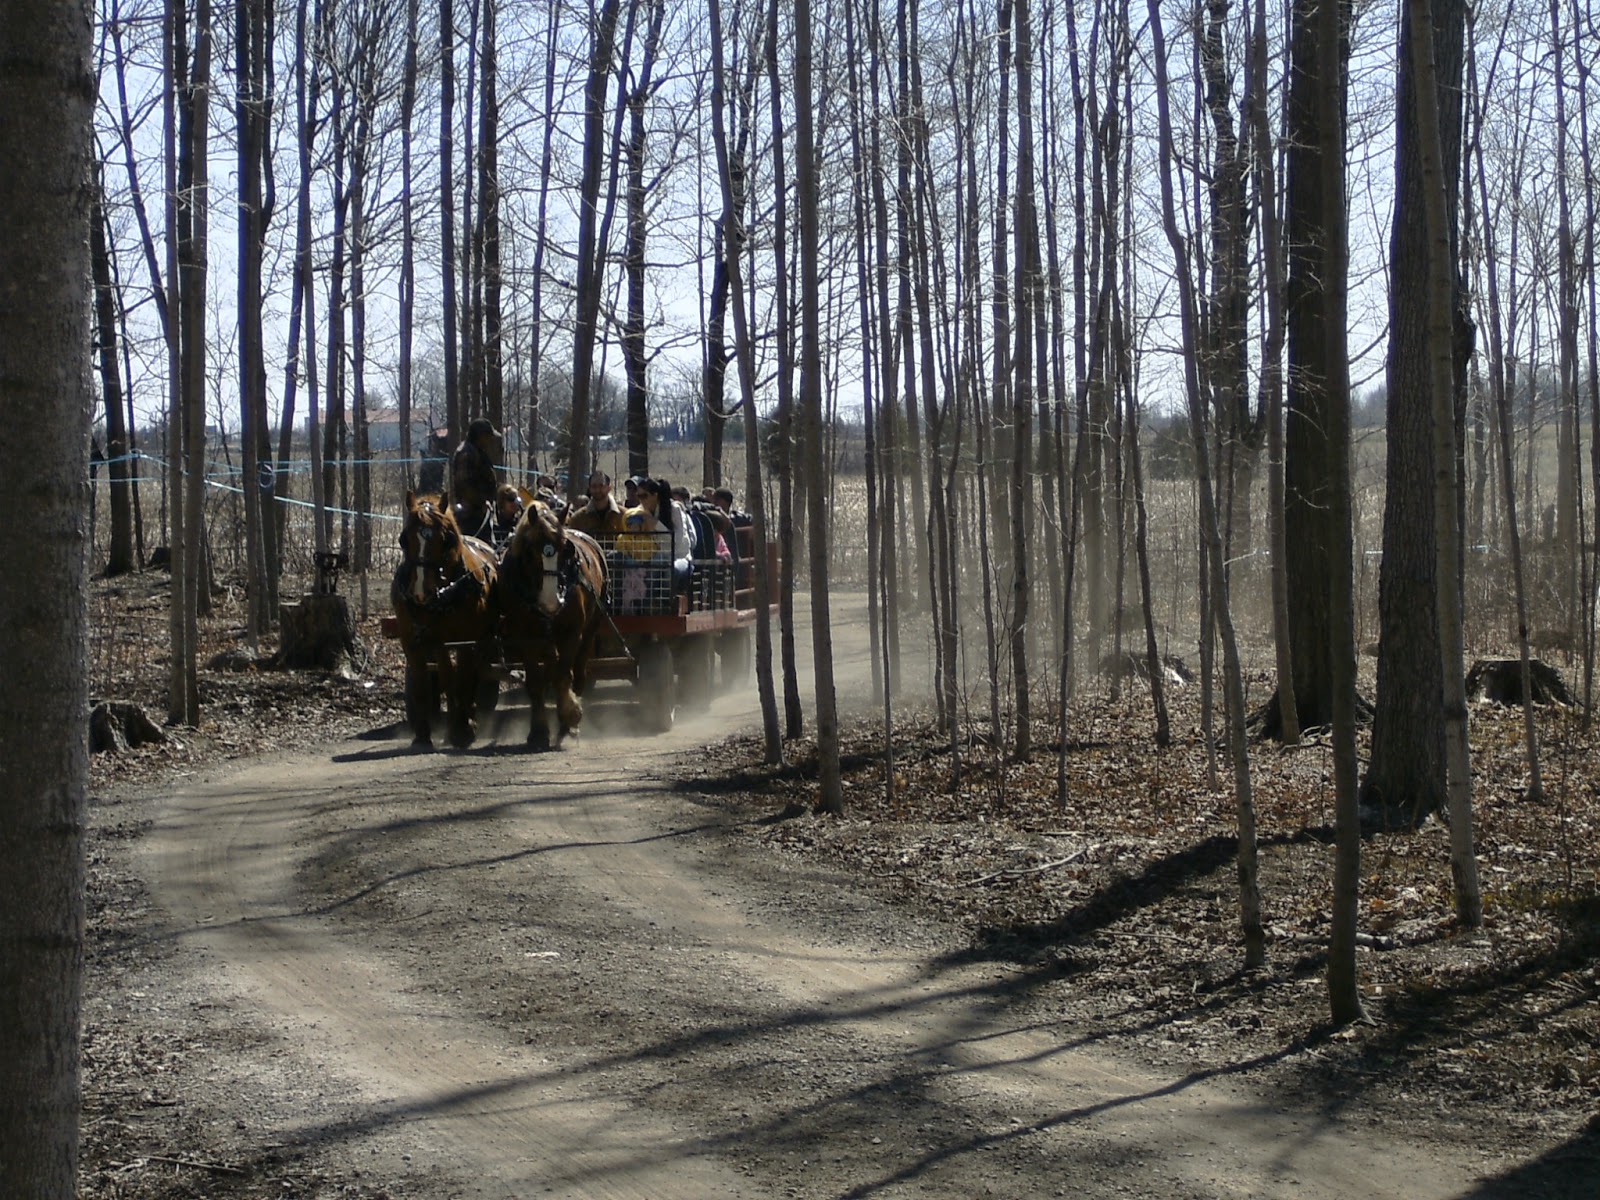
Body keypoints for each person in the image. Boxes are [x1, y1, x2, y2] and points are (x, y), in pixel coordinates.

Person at [450, 417, 501, 539]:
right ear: (480, 436)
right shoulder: (466, 453)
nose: (490, 440)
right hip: (469, 517)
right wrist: (482, 502)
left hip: (481, 514)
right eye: (488, 436)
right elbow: (464, 485)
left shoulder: (477, 451)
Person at [565, 469, 626, 537]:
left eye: (601, 486)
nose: (597, 490)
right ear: (589, 488)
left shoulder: (624, 515)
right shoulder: (578, 518)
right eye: (594, 486)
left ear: (609, 488)